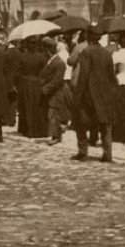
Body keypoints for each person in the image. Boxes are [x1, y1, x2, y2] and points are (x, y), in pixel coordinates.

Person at [73, 24, 116, 162]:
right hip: (104, 94)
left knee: (80, 123)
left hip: (89, 95)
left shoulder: (87, 52)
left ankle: (83, 151)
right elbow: (112, 76)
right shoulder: (107, 53)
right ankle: (107, 153)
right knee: (105, 124)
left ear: (89, 36)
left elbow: (83, 75)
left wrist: (77, 96)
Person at [38, 38, 70, 145]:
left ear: (48, 49)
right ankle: (56, 134)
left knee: (54, 114)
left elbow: (57, 81)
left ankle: (56, 136)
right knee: (52, 114)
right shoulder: (50, 61)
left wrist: (44, 89)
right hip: (51, 92)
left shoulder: (59, 63)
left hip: (56, 93)